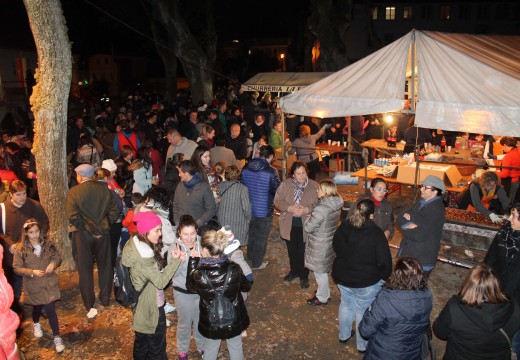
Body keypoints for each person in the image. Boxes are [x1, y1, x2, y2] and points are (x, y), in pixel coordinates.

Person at [331, 198, 392, 353]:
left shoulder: (344, 226)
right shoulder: (376, 233)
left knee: (346, 305)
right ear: (371, 216)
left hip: (343, 278)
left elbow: (335, 245)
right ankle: (362, 345)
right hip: (366, 282)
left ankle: (343, 335)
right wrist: (384, 277)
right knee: (362, 310)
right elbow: (385, 260)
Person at [121, 211, 182, 360]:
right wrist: (175, 261)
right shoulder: (144, 257)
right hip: (151, 306)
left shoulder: (133, 244)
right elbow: (160, 282)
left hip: (140, 304)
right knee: (157, 348)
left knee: (142, 344)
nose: (160, 234)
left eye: (160, 229)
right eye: (157, 230)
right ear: (145, 231)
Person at [186, 229, 252, 360]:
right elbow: (246, 286)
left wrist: (193, 262)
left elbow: (190, 287)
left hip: (211, 318)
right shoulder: (234, 268)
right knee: (235, 345)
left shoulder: (198, 274)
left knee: (211, 346)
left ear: (205, 250)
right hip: (233, 316)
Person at [66, 164, 120, 318]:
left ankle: (89, 302)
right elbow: (115, 211)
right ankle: (105, 298)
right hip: (103, 233)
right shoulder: (105, 189)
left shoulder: (74, 192)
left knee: (85, 269)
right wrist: (103, 226)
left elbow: (72, 216)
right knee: (105, 266)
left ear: (80, 176)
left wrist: (88, 228)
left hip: (82, 234)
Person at [433, 264, 520, 360]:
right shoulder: (515, 308)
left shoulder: (455, 308)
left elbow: (440, 331)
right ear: (496, 284)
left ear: (468, 284)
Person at [359, 257, 433, 360]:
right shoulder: (427, 298)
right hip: (411, 354)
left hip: (382, 354)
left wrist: (369, 310)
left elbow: (365, 330)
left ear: (396, 275)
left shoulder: (385, 299)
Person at [13, 219, 65, 353]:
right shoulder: (21, 249)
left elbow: (57, 256)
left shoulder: (47, 244)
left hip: (48, 283)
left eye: (36, 231)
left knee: (50, 310)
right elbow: (17, 268)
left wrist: (52, 264)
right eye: (31, 232)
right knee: (37, 308)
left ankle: (57, 337)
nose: (35, 235)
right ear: (26, 233)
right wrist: (31, 272)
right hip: (34, 285)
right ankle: (36, 323)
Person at [0, 180, 49, 313]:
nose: (23, 197)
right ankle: (14, 310)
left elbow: (44, 224)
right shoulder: (3, 210)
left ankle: (41, 308)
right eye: (19, 194)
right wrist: (10, 244)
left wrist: (36, 239)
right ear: (11, 194)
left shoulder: (35, 206)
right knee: (15, 283)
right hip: (13, 256)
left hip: (33, 253)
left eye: (24, 193)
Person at [274, 161, 319, 289]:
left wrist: (307, 209)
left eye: (303, 173)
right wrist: (288, 208)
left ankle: (304, 275)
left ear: (307, 172)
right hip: (289, 223)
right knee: (292, 249)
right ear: (293, 175)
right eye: (298, 173)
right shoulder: (286, 185)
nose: (301, 176)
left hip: (306, 224)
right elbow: (277, 201)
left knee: (304, 250)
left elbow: (320, 203)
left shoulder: (314, 186)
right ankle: (294, 271)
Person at [484, 202, 520, 354]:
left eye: (514, 216)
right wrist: (484, 278)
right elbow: (491, 257)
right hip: (498, 286)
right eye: (510, 214)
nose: (509, 219)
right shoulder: (504, 232)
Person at [168, 215, 205, 359]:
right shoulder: (175, 247)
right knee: (184, 322)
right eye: (185, 234)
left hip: (200, 291)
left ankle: (202, 346)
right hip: (182, 292)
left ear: (197, 230)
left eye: (192, 234)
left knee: (200, 320)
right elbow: (173, 274)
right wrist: (181, 261)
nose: (189, 238)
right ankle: (182, 350)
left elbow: (210, 268)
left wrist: (201, 261)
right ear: (179, 233)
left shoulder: (202, 243)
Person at [397, 175, 446, 280]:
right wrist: (410, 225)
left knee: (415, 289)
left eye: (425, 187)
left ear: (435, 191)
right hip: (409, 254)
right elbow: (400, 218)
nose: (421, 189)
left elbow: (419, 235)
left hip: (421, 260)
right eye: (422, 186)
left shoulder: (436, 210)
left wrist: (407, 226)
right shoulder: (421, 202)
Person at [241, 145, 281, 270]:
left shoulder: (245, 168)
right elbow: (277, 190)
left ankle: (251, 256)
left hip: (247, 208)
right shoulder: (271, 171)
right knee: (261, 237)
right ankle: (257, 263)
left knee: (251, 233)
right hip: (264, 209)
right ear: (271, 156)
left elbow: (241, 185)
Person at [303, 180, 343, 305]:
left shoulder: (322, 208)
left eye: (319, 189)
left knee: (319, 272)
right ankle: (323, 291)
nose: (317, 190)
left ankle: (322, 297)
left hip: (319, 244)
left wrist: (308, 218)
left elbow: (308, 228)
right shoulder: (336, 204)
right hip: (328, 241)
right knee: (324, 270)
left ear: (325, 191)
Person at [172, 160, 217, 228]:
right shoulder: (180, 186)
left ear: (186, 174)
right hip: (182, 227)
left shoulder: (203, 187)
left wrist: (197, 224)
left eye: (180, 172)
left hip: (199, 228)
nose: (179, 175)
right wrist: (177, 223)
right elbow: (175, 205)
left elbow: (211, 209)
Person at [217, 165, 252, 247]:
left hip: (222, 220)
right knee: (235, 244)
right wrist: (248, 220)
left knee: (224, 244)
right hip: (238, 222)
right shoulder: (242, 188)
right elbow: (246, 208)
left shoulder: (220, 185)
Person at [498, 136, 520, 202]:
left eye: (501, 146)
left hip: (510, 182)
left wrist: (495, 172)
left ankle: (508, 212)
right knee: (515, 199)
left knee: (508, 201)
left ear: (504, 145)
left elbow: (505, 174)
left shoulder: (508, 156)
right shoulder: (518, 152)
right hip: (517, 180)